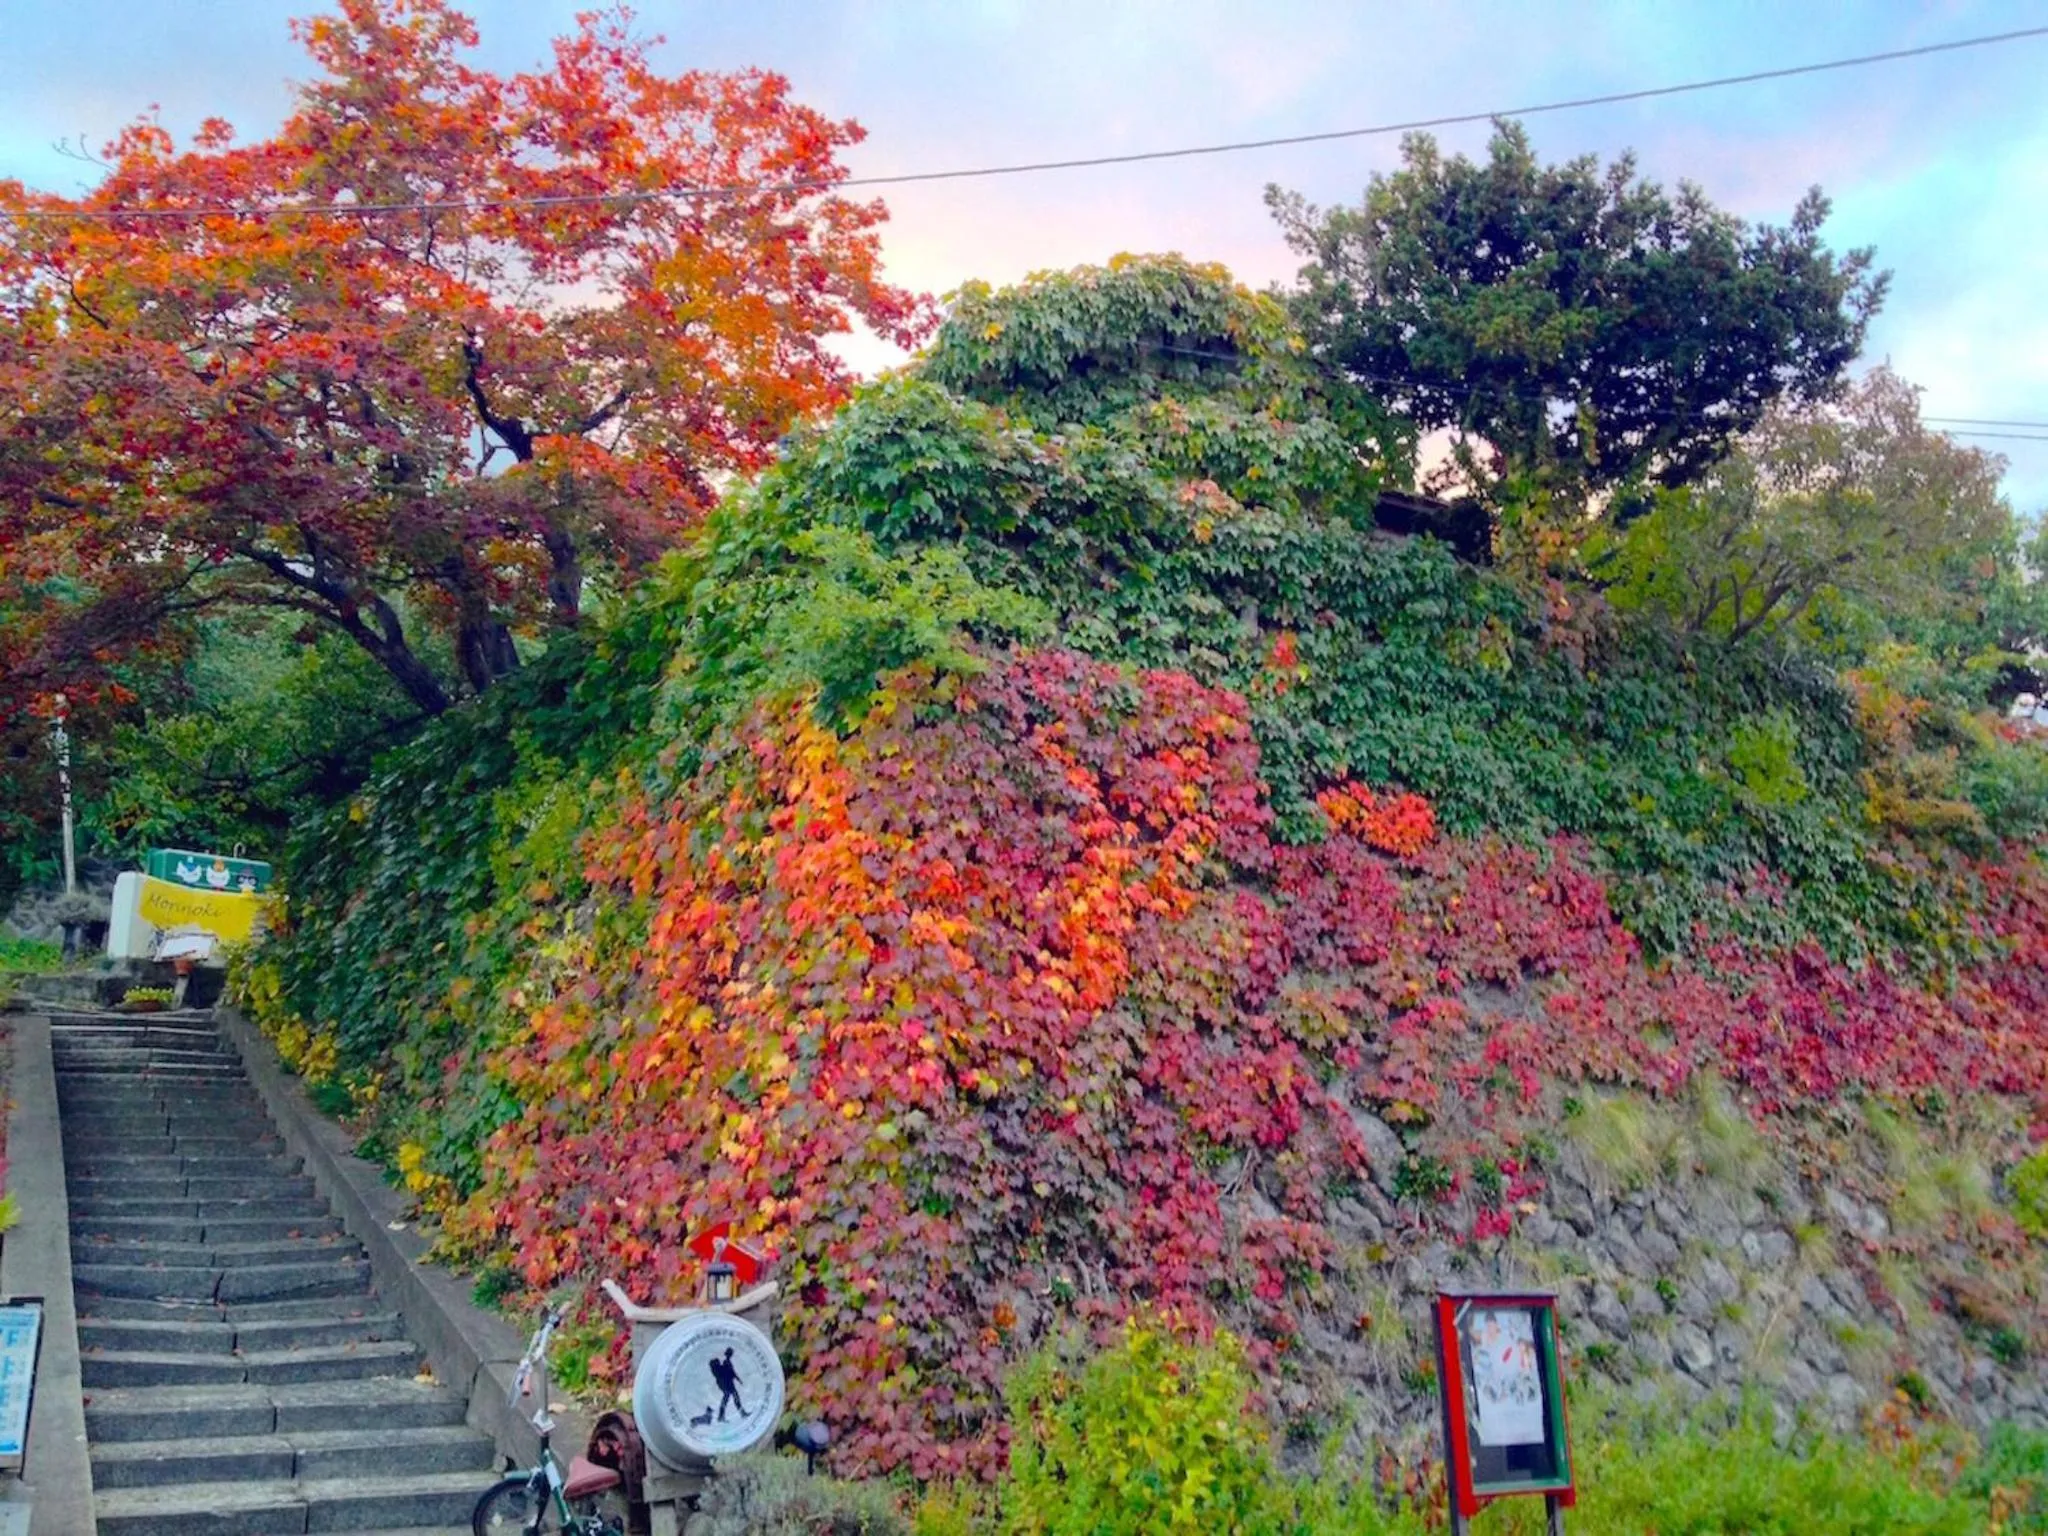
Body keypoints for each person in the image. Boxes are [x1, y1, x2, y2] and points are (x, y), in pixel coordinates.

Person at [708, 1347, 749, 1421]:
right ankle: (741, 1413)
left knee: (728, 1398)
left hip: (726, 1383)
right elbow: (731, 1372)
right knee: (733, 1397)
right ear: (728, 1354)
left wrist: (738, 1379)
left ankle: (722, 1416)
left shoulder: (726, 1362)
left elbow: (732, 1372)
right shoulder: (726, 1362)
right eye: (730, 1353)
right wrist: (738, 1379)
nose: (731, 1354)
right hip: (727, 1383)